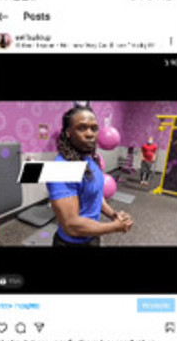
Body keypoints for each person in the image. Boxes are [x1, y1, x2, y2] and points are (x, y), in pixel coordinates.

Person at [47, 103, 134, 246]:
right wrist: (115, 227)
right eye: (82, 128)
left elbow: (96, 196)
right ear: (68, 132)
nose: (90, 134)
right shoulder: (61, 168)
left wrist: (114, 215)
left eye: (94, 128)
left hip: (92, 236)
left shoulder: (91, 159)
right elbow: (71, 225)